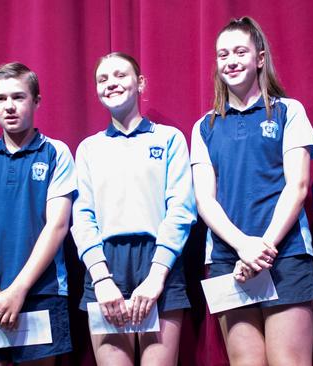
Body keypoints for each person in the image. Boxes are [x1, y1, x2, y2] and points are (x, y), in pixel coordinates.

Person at [191, 17, 313, 366]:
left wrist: (263, 247)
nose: (230, 61)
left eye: (239, 52)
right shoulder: (204, 126)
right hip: (226, 259)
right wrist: (243, 246)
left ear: (260, 58)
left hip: (286, 254)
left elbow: (297, 187)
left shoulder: (287, 111)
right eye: (223, 54)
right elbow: (205, 200)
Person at [71, 52, 196, 366]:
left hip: (158, 261)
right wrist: (101, 278)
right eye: (103, 78)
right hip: (105, 263)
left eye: (120, 75)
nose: (112, 83)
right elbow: (82, 216)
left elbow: (180, 208)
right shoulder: (89, 148)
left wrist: (156, 275)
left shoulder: (170, 139)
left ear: (140, 83)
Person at [0, 62, 75, 365]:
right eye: (1, 98)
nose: (9, 106)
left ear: (36, 101)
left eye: (19, 97)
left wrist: (18, 290)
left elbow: (57, 226)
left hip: (40, 291)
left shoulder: (56, 152)